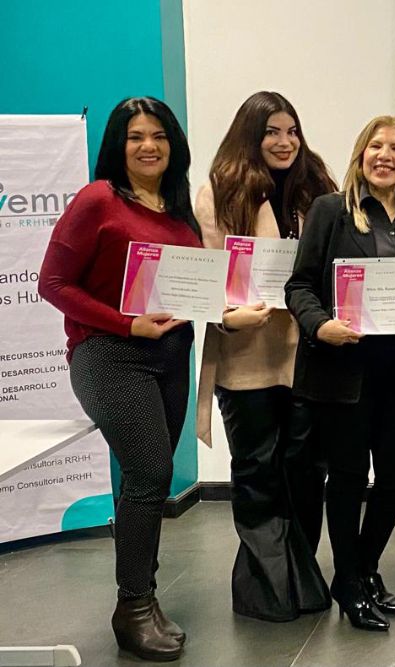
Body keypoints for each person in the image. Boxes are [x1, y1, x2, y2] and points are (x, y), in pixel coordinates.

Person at [38, 97, 200, 661]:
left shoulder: (179, 209)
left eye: (159, 135)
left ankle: (143, 598)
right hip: (109, 354)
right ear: (118, 145)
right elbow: (52, 283)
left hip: (171, 355)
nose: (149, 146)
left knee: (151, 479)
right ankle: (132, 607)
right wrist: (127, 323)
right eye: (135, 137)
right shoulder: (98, 199)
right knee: (150, 471)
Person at [284, 115, 395, 632]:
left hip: (394, 370)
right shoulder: (331, 211)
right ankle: (348, 581)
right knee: (348, 479)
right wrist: (320, 325)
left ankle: (364, 567)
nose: (384, 156)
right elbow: (299, 286)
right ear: (361, 155)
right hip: (340, 371)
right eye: (376, 146)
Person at [194, 91, 337, 621]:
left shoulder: (317, 188)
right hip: (246, 355)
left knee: (306, 469)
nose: (284, 141)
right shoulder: (217, 192)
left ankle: (301, 577)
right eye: (272, 132)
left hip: (307, 355)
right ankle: (266, 587)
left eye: (291, 131)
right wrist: (226, 316)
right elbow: (203, 277)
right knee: (257, 468)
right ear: (250, 136)